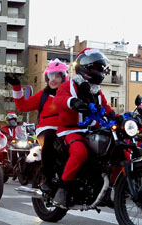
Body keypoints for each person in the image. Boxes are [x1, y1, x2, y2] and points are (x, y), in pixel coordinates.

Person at [53, 48, 113, 207]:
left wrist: (117, 117)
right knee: (79, 152)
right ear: (85, 67)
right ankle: (63, 189)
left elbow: (106, 108)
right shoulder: (69, 86)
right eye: (95, 68)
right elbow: (58, 100)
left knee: (118, 149)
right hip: (71, 130)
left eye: (100, 69)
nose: (98, 72)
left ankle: (114, 189)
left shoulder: (97, 91)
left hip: (93, 131)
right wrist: (72, 102)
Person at [5, 58, 68, 192]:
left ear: (64, 77)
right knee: (49, 140)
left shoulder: (70, 94)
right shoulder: (43, 95)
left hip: (66, 129)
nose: (54, 79)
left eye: (57, 76)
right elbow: (22, 106)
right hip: (46, 128)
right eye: (51, 76)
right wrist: (17, 87)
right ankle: (47, 178)